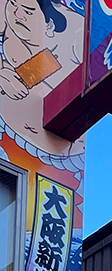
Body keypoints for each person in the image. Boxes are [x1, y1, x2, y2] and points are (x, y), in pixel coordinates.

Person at [0, 0, 82, 157]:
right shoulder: (6, 13)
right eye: (13, 4)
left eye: (28, 11)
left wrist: (15, 77)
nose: (17, 14)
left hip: (57, 144)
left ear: (49, 24)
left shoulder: (75, 35)